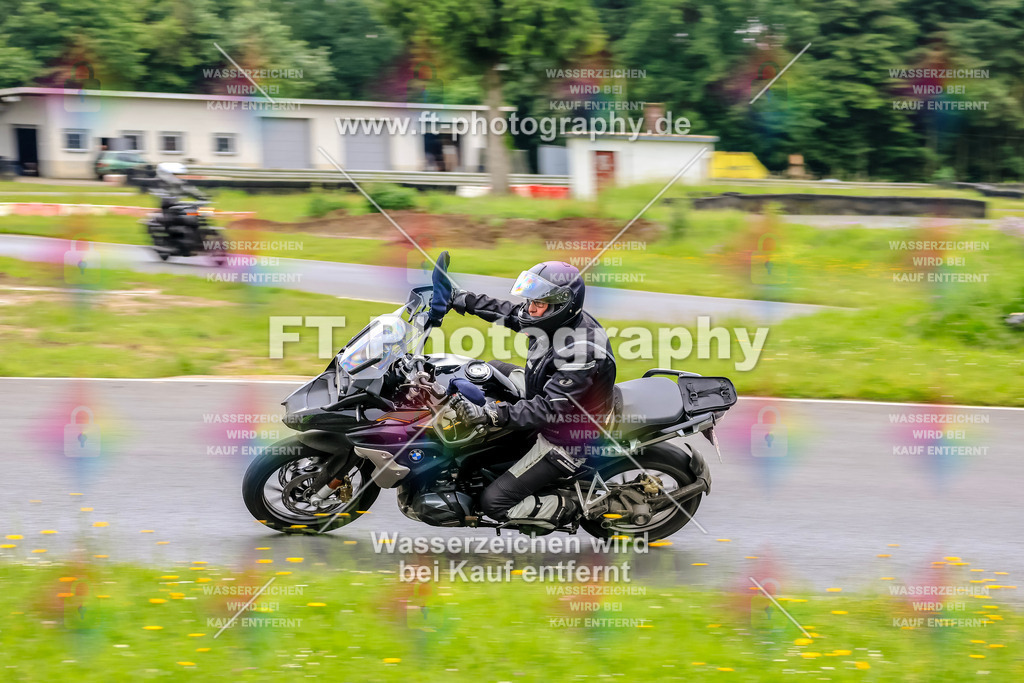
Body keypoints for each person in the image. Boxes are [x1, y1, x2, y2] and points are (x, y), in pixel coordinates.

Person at [437, 259, 617, 529]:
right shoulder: (554, 320)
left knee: (493, 503)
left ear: (560, 305)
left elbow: (547, 409)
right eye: (531, 301)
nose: (530, 309)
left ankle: (570, 507)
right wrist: (461, 299)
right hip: (546, 391)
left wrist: (491, 413)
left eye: (538, 303)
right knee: (487, 370)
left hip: (566, 437)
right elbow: (509, 313)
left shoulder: (582, 352)